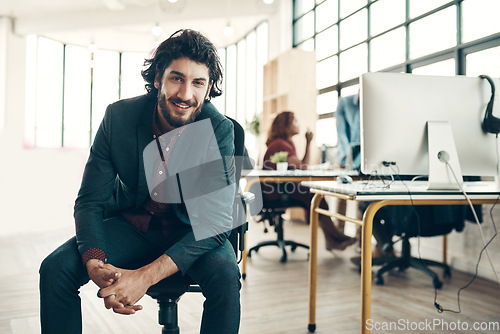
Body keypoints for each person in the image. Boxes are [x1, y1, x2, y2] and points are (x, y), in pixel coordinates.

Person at [39, 29, 241, 334]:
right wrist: (94, 262)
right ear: (158, 77)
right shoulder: (119, 118)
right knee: (55, 268)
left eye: (198, 82)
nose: (186, 94)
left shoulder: (218, 129)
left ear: (209, 87)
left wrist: (143, 278)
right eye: (176, 78)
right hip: (134, 225)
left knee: (226, 275)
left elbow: (214, 223)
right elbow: (90, 201)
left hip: (191, 233)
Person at [262, 111, 356, 251]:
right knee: (315, 195)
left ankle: (332, 239)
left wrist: (308, 143)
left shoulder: (286, 143)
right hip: (276, 191)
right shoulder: (280, 144)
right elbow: (303, 167)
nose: (298, 124)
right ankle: (335, 237)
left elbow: (301, 165)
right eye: (295, 121)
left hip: (281, 188)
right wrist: (308, 143)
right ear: (286, 125)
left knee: (315, 195)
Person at [336, 93, 394, 262]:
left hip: (371, 159)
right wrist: (345, 158)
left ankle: (362, 244)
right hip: (348, 156)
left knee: (365, 200)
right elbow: (342, 133)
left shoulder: (377, 101)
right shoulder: (345, 103)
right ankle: (339, 236)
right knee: (344, 195)